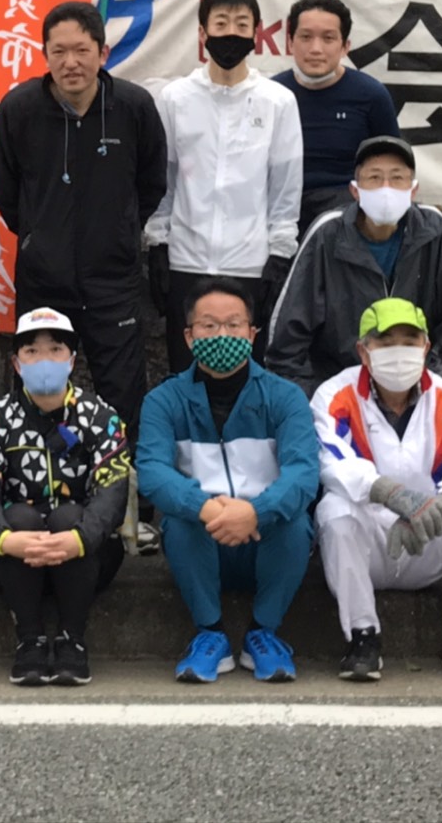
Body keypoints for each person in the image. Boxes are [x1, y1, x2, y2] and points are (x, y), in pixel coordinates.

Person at [0, 0, 167, 444]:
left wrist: (119, 232)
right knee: (39, 391)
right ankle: (35, 493)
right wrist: (37, 235)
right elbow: (5, 188)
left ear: (103, 54)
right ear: (44, 54)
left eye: (82, 50)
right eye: (59, 51)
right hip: (44, 281)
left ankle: (126, 504)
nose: (71, 63)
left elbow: (152, 183)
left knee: (122, 399)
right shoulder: (20, 109)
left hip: (114, 282)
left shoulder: (133, 107)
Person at [136, 278, 319, 684]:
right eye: (209, 325)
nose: (223, 334)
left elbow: (304, 471)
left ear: (253, 334)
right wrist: (204, 507)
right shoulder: (163, 401)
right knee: (179, 522)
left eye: (234, 325)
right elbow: (151, 471)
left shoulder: (285, 397)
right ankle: (210, 634)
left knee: (296, 523)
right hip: (204, 536)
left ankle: (264, 634)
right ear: (188, 335)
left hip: (265, 535)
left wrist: (257, 512)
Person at [311, 298, 442, 683]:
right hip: (372, 537)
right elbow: (330, 460)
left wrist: (440, 504)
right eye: (385, 341)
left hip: (432, 539)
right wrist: (390, 494)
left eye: (410, 341)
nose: (398, 350)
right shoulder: (334, 394)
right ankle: (363, 637)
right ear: (363, 350)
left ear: (426, 348)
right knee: (333, 512)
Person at [0, 308, 132, 687]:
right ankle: (30, 640)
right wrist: (4, 538)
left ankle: (73, 639)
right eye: (32, 352)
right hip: (12, 557)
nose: (44, 360)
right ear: (16, 363)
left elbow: (113, 489)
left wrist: (79, 538)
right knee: (19, 517)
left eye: (55, 350)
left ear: (72, 360)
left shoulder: (101, 417)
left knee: (68, 515)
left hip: (88, 553)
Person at [146, 0, 302, 371]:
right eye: (220, 23)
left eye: (241, 24)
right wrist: (158, 243)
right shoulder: (175, 97)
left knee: (246, 373)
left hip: (250, 263)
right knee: (185, 369)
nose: (230, 33)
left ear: (256, 33)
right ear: (202, 34)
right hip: (186, 259)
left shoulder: (277, 100)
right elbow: (163, 176)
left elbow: (285, 182)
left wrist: (279, 255)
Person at [266, 135, 442, 397]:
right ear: (355, 190)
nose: (386, 188)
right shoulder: (327, 234)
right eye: (375, 178)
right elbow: (287, 341)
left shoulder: (433, 228)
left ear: (413, 190)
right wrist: (314, 399)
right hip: (339, 391)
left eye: (397, 178)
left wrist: (435, 389)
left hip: (417, 385)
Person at [271, 0, 401, 237]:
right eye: (306, 37)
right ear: (290, 42)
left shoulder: (371, 95)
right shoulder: (270, 95)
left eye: (328, 38)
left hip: (347, 219)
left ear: (345, 46)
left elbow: (393, 166)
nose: (316, 49)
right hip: (278, 213)